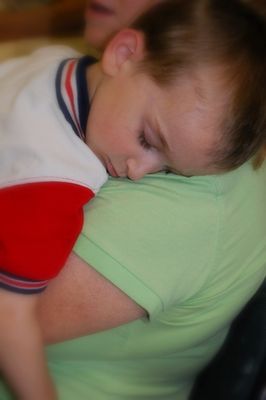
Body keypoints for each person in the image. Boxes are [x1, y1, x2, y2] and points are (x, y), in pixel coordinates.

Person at [0, 0, 265, 399]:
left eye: (167, 170)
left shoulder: (55, 62)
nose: (137, 170)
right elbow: (8, 316)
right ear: (122, 53)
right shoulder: (57, 176)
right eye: (146, 139)